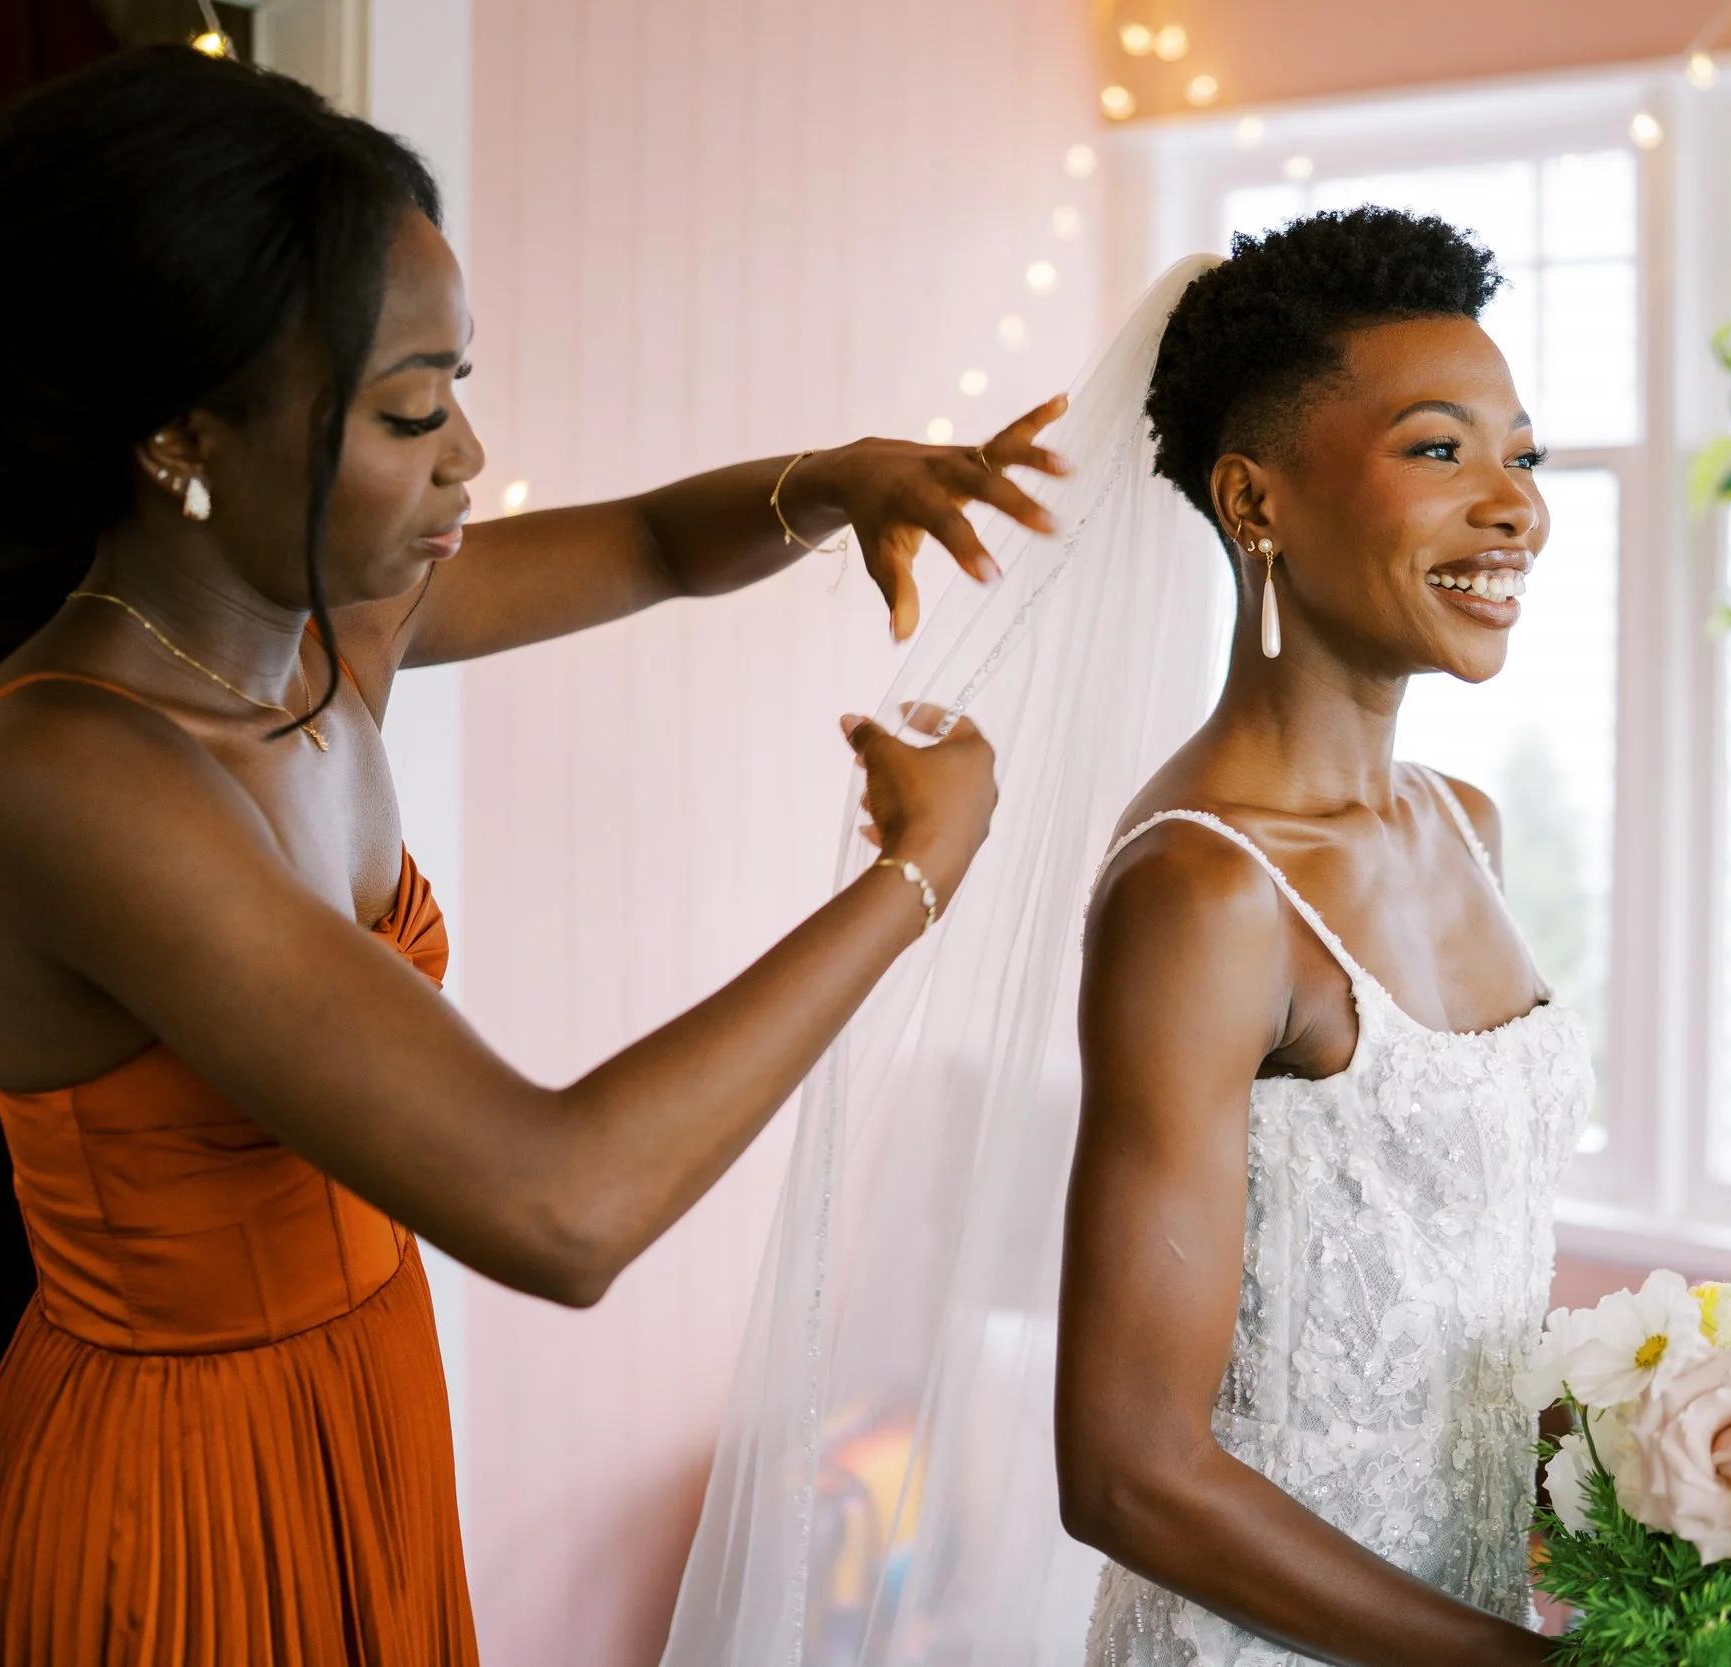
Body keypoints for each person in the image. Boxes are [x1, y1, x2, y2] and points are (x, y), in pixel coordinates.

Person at [0, 46, 1052, 1664]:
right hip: (179, 1507)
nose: (466, 455)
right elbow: (560, 1203)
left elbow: (646, 544)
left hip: (359, 1408)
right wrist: (912, 876)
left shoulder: (313, 634)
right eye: (412, 408)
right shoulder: (73, 778)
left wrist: (835, 481)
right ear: (181, 435)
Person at [659, 212, 1589, 1667]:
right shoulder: (1206, 893)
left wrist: (1707, 1486)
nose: (1515, 505)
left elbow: (1453, 1318)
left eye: (1522, 456)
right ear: (1253, 499)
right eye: (1438, 450)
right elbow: (1128, 1470)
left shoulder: (1469, 825)